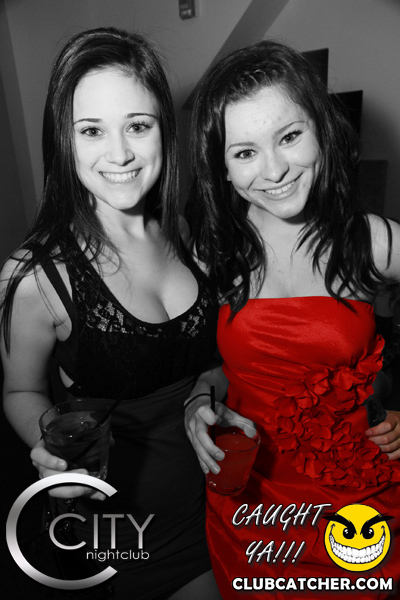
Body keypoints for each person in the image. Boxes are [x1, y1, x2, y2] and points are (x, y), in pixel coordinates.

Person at [0, 27, 224, 600]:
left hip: (219, 496)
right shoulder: (37, 275)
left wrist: (205, 394)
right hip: (123, 531)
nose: (120, 153)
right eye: (92, 130)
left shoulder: (185, 233)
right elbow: (21, 391)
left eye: (138, 126)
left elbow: (211, 360)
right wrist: (52, 449)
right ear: (64, 140)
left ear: (163, 130)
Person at [185, 40, 400, 599]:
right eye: (244, 152)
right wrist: (195, 405)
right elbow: (211, 368)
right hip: (251, 506)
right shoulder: (213, 255)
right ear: (221, 167)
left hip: (355, 507)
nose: (275, 169)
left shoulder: (371, 241)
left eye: (289, 136)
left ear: (321, 130)